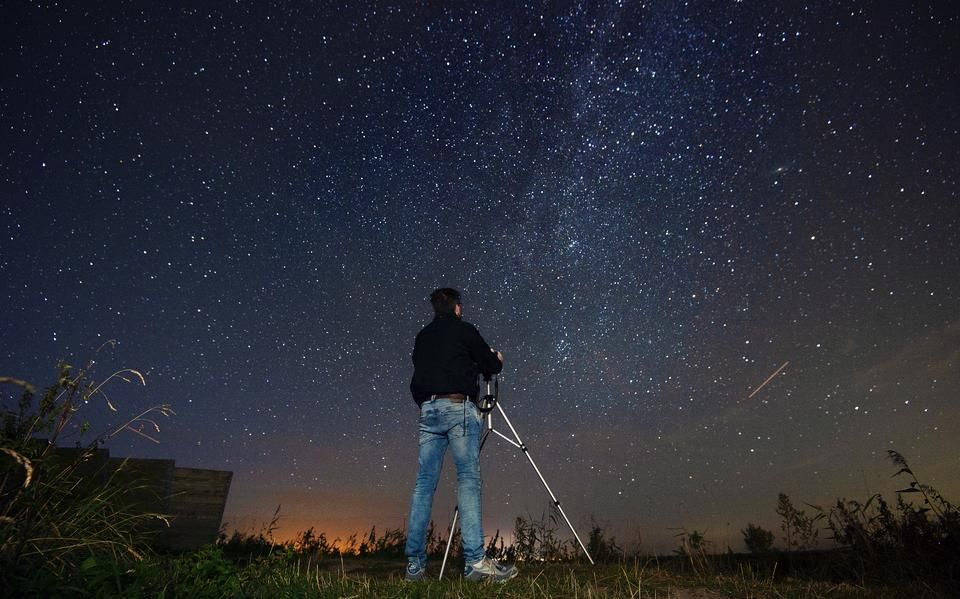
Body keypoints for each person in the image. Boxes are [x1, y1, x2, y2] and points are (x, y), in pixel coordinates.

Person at [403, 288, 519, 582]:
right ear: (457, 307)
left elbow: (417, 377)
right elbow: (489, 364)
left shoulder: (422, 337)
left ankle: (414, 566)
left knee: (423, 486)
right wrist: (498, 360)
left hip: (428, 410)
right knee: (467, 480)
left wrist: (429, 404)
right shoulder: (465, 330)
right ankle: (475, 563)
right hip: (459, 409)